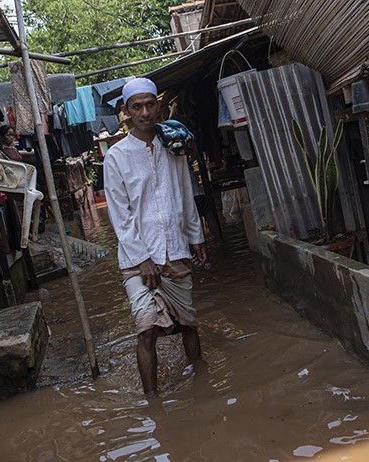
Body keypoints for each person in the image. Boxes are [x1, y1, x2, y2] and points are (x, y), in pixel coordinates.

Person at [103, 78, 208, 396]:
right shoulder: (116, 157)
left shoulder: (172, 146)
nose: (145, 112)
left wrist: (196, 237)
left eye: (150, 104)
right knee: (146, 330)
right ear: (126, 111)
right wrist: (142, 258)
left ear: (159, 106)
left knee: (189, 323)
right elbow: (120, 216)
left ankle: (202, 383)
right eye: (137, 106)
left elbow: (186, 192)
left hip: (175, 248)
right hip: (139, 260)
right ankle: (153, 401)